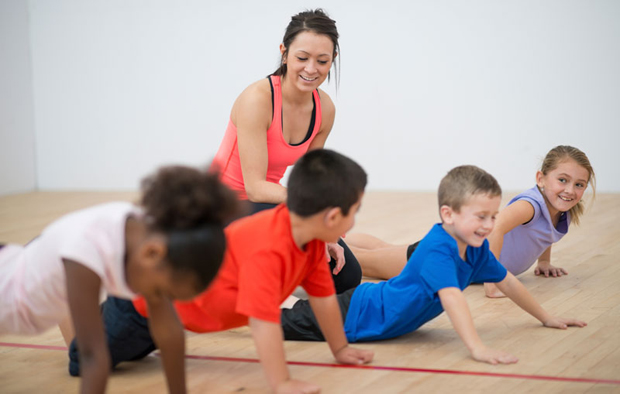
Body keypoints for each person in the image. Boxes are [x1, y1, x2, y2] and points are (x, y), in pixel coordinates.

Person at [69, 149, 374, 394]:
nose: (355, 218)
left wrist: (341, 349)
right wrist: (282, 383)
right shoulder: (269, 249)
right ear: (333, 216)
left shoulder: (311, 243)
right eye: (355, 210)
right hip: (141, 310)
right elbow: (263, 323)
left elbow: (322, 298)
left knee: (137, 357)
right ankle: (67, 298)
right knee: (82, 360)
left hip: (176, 318)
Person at [281, 165, 587, 365]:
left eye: (493, 216)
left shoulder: (476, 248)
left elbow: (507, 281)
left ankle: (286, 286)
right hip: (354, 317)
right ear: (449, 214)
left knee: (293, 308)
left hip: (366, 315)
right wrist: (477, 348)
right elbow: (452, 297)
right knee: (269, 320)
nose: (489, 224)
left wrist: (545, 317)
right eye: (480, 216)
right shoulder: (438, 249)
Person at [0, 165, 239, 394]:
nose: (161, 299)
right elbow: (93, 357)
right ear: (152, 253)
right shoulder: (84, 251)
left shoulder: (148, 237)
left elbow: (170, 333)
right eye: (163, 291)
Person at [211, 8, 361, 293]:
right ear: (284, 52)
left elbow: (309, 180)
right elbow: (255, 188)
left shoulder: (324, 109)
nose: (311, 69)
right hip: (225, 205)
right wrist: (316, 216)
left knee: (345, 276)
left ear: (333, 61)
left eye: (322, 61)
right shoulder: (258, 99)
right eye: (302, 58)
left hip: (269, 204)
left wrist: (326, 231)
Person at [344, 146, 596, 299]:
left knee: (382, 249)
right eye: (562, 180)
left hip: (458, 262)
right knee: (366, 264)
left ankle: (341, 240)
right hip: (448, 258)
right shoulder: (530, 206)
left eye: (579, 184)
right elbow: (495, 230)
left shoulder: (563, 211)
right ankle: (326, 247)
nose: (570, 190)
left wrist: (544, 261)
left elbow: (545, 234)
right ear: (541, 178)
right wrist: (493, 280)